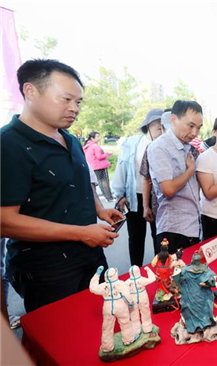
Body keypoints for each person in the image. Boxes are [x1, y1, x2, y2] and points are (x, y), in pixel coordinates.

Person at [1, 59, 123, 313]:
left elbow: (81, 181)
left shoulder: (70, 140)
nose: (74, 108)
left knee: (101, 325)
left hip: (89, 255)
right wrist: (81, 233)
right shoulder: (9, 145)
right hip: (46, 268)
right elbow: (5, 221)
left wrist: (99, 208)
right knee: (60, 338)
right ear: (31, 91)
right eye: (65, 99)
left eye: (78, 102)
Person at [148, 100, 203, 253]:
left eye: (198, 128)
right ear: (173, 120)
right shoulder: (160, 146)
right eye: (190, 126)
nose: (195, 133)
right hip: (174, 229)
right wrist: (190, 170)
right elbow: (168, 189)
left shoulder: (187, 146)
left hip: (191, 224)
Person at [112, 108, 163, 266]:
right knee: (135, 237)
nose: (162, 131)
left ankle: (159, 269)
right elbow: (122, 168)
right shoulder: (132, 144)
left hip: (158, 198)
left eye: (164, 127)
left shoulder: (164, 145)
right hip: (134, 197)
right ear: (148, 126)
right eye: (158, 127)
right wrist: (119, 194)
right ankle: (135, 270)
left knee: (159, 236)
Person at [139, 110, 172, 254]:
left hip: (183, 213)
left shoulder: (189, 149)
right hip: (158, 205)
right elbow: (146, 178)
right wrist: (145, 206)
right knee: (159, 246)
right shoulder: (151, 147)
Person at [89, 266, 135, 353]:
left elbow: (92, 288)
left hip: (107, 306)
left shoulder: (103, 285)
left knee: (107, 327)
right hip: (120, 305)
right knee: (125, 323)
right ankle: (128, 339)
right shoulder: (120, 284)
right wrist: (130, 302)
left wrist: (96, 275)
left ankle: (107, 346)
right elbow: (127, 293)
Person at [176, 253, 217, 333]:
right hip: (201, 295)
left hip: (191, 295)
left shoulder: (186, 270)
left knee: (194, 310)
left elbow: (178, 279)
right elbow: (212, 281)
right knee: (202, 309)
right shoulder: (205, 270)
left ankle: (198, 325)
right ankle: (202, 324)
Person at [84, 131, 114, 201]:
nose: (99, 138)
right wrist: (108, 154)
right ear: (92, 138)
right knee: (104, 182)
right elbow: (99, 156)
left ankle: (106, 197)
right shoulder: (95, 146)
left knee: (99, 182)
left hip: (93, 167)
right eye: (97, 136)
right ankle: (109, 197)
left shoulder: (87, 146)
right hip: (99, 166)